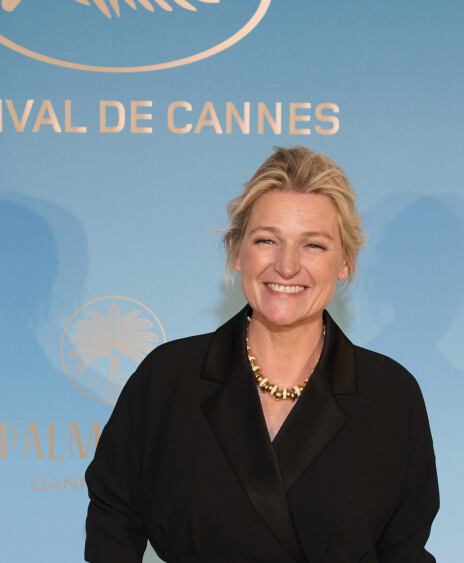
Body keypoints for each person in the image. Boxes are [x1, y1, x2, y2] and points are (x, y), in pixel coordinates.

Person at [84, 146, 439, 562]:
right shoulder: (169, 378)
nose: (286, 267)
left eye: (314, 246)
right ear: (237, 251)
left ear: (345, 263)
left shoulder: (389, 394)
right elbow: (113, 523)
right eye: (267, 240)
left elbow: (404, 551)